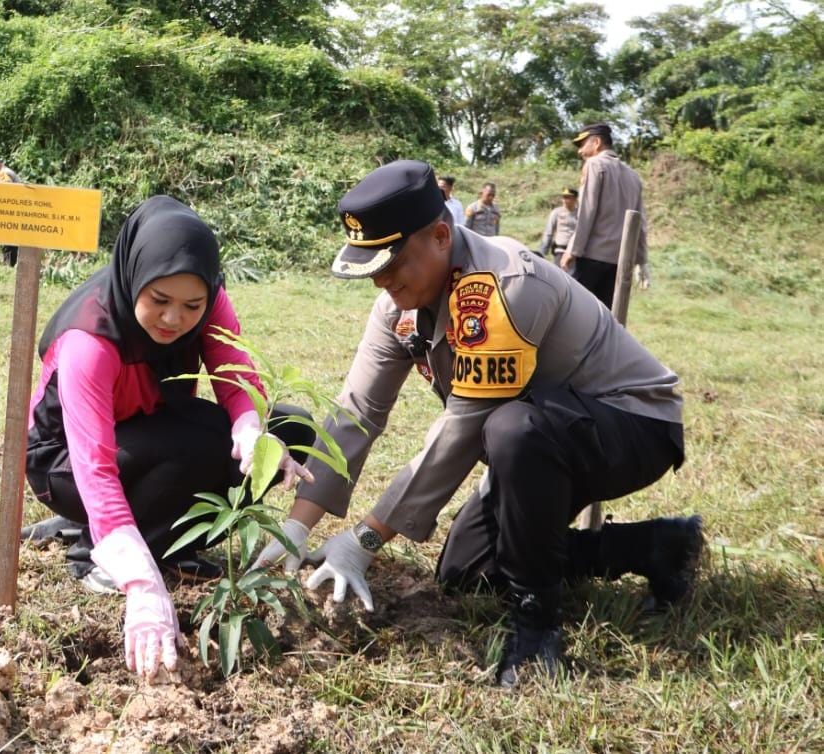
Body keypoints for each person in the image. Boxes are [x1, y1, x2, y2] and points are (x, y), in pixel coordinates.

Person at [253, 160, 702, 689]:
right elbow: (358, 410)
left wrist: (366, 538)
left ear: (441, 236)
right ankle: (656, 547)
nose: (382, 280)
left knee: (510, 428)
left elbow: (466, 424)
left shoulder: (505, 284)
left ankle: (536, 630)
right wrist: (298, 524)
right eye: (372, 268)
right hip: (542, 435)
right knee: (466, 572)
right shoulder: (398, 301)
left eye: (392, 263)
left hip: (630, 425)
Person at [22, 195, 315, 680]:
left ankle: (161, 545)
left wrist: (250, 429)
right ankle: (101, 556)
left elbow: (235, 375)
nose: (175, 319)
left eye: (191, 306)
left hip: (149, 427)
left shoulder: (210, 301)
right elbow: (93, 463)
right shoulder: (89, 341)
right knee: (194, 446)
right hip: (64, 462)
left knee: (289, 430)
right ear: (135, 275)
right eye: (159, 301)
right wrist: (141, 586)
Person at [561, 123, 649, 308]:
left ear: (597, 142)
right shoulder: (633, 176)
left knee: (576, 315)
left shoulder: (594, 164)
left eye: (583, 144)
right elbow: (639, 223)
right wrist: (641, 261)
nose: (580, 151)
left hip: (592, 257)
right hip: (619, 262)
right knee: (606, 320)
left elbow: (587, 212)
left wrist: (573, 250)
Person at [538, 186, 578, 267]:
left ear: (575, 199)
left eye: (568, 197)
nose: (564, 200)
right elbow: (548, 233)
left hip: (575, 253)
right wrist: (542, 252)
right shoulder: (557, 213)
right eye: (563, 197)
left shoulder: (581, 214)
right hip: (560, 251)